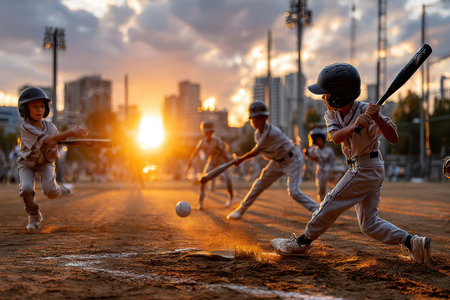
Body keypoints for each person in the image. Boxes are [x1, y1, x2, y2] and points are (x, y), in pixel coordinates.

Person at [270, 63, 431, 263]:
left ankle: (302, 242)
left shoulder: (367, 110)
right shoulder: (332, 113)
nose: (323, 97)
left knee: (330, 201)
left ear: (339, 96)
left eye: (327, 94)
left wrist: (378, 117)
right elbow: (336, 137)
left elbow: (393, 137)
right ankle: (413, 242)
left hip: (367, 167)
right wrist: (356, 125)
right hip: (361, 167)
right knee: (369, 224)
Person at [227, 100, 319, 220]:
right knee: (259, 184)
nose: (256, 121)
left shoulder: (271, 132)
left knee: (294, 192)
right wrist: (240, 159)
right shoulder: (257, 134)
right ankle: (241, 210)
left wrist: (241, 159)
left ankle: (318, 210)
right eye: (254, 118)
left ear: (265, 117)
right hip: (277, 161)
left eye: (259, 118)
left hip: (292, 159)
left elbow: (256, 152)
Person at [17, 87, 88, 231]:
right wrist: (69, 133)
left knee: (51, 193)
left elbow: (53, 152)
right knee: (26, 189)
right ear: (25, 109)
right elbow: (47, 139)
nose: (40, 110)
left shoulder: (51, 127)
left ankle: (62, 189)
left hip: (45, 163)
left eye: (42, 106)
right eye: (35, 106)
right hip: (27, 164)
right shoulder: (25, 127)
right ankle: (34, 214)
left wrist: (56, 143)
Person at [186, 121, 234, 210]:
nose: (208, 133)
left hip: (222, 162)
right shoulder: (202, 142)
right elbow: (194, 153)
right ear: (203, 132)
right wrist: (189, 162)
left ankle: (231, 198)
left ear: (213, 132)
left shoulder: (217, 140)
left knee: (228, 179)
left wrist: (230, 160)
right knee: (203, 180)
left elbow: (224, 153)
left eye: (210, 131)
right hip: (211, 162)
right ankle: (200, 203)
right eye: (206, 131)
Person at [304, 128, 335, 202]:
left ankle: (333, 201)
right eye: (316, 139)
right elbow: (314, 159)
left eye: (319, 139)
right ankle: (322, 204)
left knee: (333, 189)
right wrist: (307, 154)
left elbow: (332, 163)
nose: (318, 141)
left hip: (330, 171)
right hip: (320, 172)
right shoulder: (314, 149)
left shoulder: (329, 150)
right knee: (321, 190)